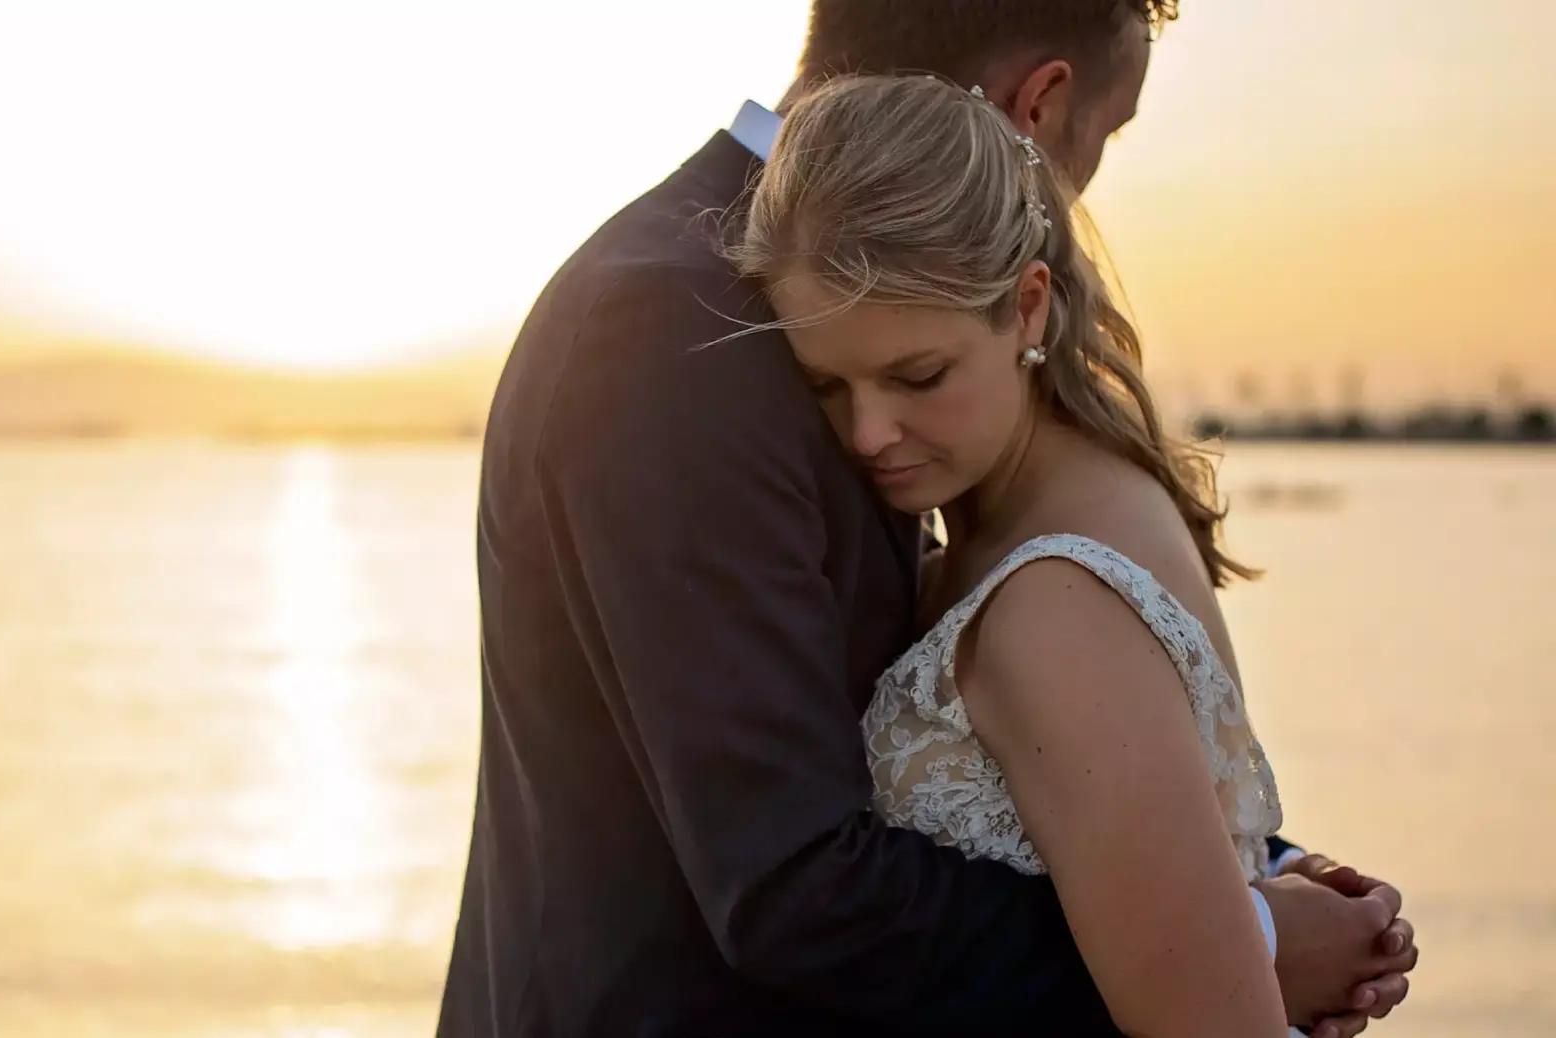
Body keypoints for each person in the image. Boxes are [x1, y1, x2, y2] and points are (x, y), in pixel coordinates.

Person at [441, 3, 1417, 1035]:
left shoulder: (1017, 493)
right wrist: (1245, 938)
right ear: (1036, 108)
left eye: (918, 375)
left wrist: (1235, 867)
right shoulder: (676, 324)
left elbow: (1032, 769)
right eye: (1107, 132)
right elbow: (793, 886)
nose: (872, 431)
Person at [729, 69, 1399, 1037]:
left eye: (917, 375)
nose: (869, 431)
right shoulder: (1048, 511)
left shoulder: (1054, 602)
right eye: (828, 386)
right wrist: (1264, 905)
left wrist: (1252, 928)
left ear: (1029, 309)